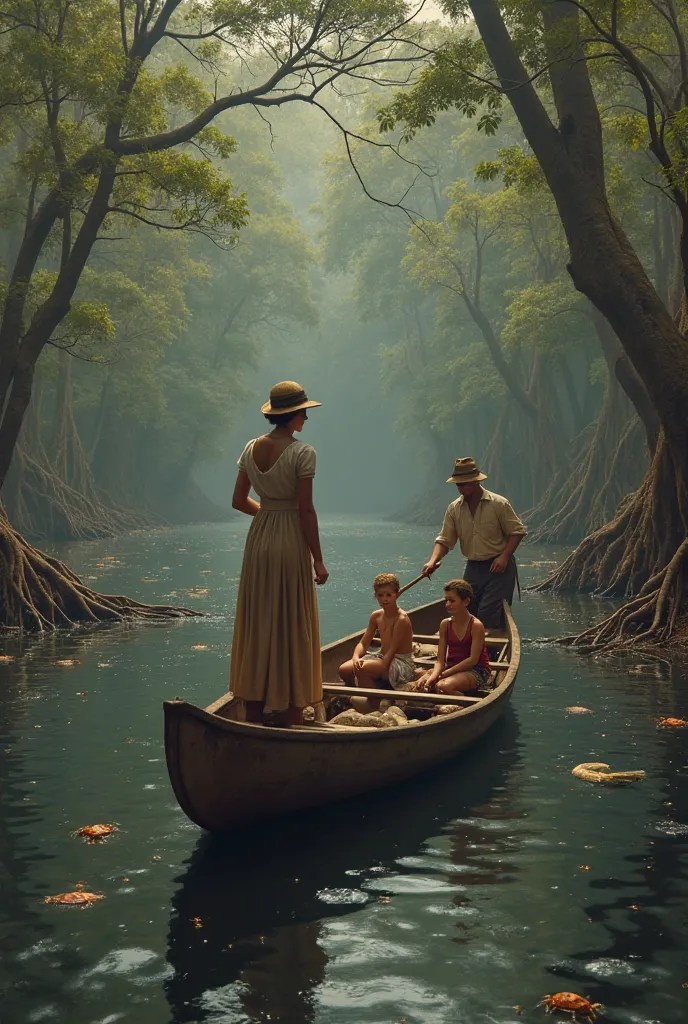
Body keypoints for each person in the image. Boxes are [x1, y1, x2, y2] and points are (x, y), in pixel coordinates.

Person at [229, 380, 328, 726]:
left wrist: (269, 515)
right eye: (303, 412)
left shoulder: (250, 447)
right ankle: (292, 713)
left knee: (260, 620)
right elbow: (306, 510)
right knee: (292, 621)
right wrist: (318, 558)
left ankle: (253, 711)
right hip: (290, 540)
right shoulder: (304, 452)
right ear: (292, 414)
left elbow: (239, 501)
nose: (306, 418)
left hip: (259, 539)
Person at [422, 456, 526, 631]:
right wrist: (432, 561)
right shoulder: (454, 508)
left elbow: (517, 532)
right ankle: (467, 648)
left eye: (466, 484)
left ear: (476, 481)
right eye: (459, 485)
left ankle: (486, 650)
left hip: (498, 566)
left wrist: (504, 556)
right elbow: (444, 540)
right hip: (473, 567)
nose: (462, 488)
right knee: (464, 609)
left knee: (488, 613)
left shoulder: (498, 504)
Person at [339, 572, 416, 711]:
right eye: (380, 595)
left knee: (363, 670)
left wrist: (370, 666)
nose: (384, 599)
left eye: (388, 595)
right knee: (344, 670)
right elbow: (364, 642)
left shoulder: (402, 619)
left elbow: (392, 651)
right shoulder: (376, 616)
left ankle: (373, 704)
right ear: (375, 595)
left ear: (396, 594)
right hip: (381, 656)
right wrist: (356, 657)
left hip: (399, 662)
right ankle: (354, 692)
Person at [416, 579, 491, 695]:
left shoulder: (476, 625)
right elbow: (440, 660)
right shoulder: (445, 624)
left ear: (465, 602)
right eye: (446, 600)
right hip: (451, 666)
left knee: (442, 686)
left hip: (476, 670)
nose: (447, 605)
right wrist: (434, 675)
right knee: (422, 683)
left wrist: (443, 675)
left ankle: (465, 705)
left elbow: (472, 660)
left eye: (452, 601)